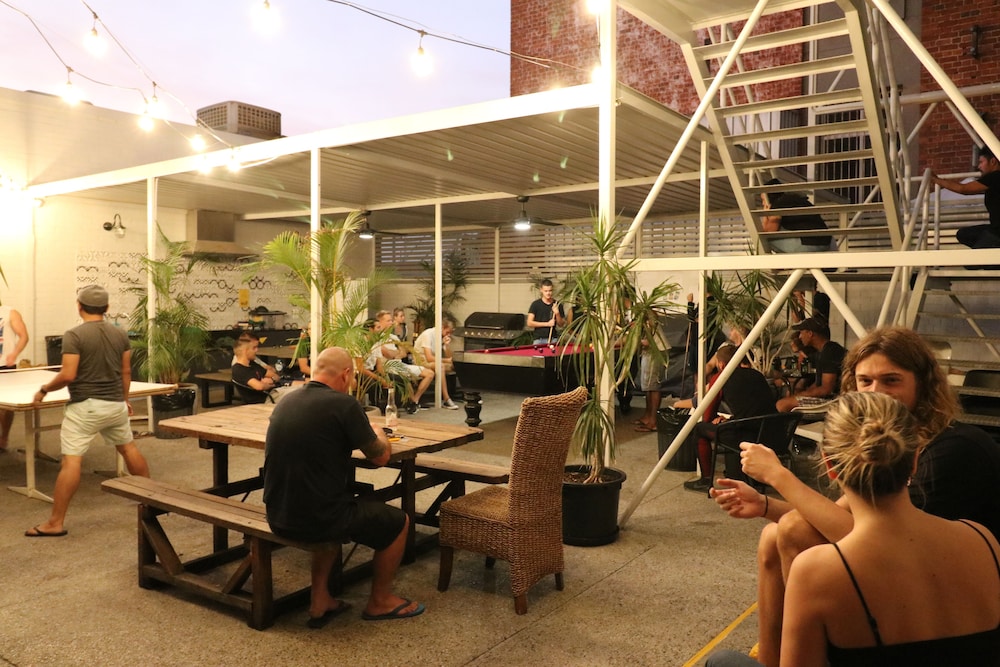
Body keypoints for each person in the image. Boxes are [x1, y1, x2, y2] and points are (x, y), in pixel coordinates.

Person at [710, 326, 1000, 667]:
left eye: (891, 380)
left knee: (722, 658)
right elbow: (842, 517)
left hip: (933, 588)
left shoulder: (952, 450)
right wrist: (766, 504)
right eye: (865, 381)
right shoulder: (978, 533)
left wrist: (779, 476)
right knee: (776, 533)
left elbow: (880, 540)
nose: (877, 392)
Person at [262, 346, 424, 626]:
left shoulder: (287, 400)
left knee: (329, 500)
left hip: (277, 514)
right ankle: (380, 601)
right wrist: (378, 433)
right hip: (319, 519)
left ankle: (320, 599)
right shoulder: (344, 405)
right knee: (399, 522)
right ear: (346, 374)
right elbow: (380, 458)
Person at [25, 285, 150, 537]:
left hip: (86, 406)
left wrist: (44, 390)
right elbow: (126, 372)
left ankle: (55, 523)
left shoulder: (74, 335)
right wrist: (124, 400)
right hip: (115, 404)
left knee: (71, 461)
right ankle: (152, 501)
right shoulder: (120, 334)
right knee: (128, 448)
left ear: (79, 307)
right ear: (107, 308)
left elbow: (68, 374)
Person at [673, 344, 777, 492]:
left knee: (700, 429)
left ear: (721, 364)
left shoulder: (721, 378)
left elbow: (707, 416)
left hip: (745, 435)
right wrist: (730, 419)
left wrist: (718, 418)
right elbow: (754, 407)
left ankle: (706, 480)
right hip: (772, 433)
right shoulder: (757, 375)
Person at [931, 146, 1000, 250]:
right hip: (995, 229)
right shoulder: (994, 181)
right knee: (963, 234)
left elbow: (963, 189)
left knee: (974, 258)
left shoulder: (995, 176)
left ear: (993, 161)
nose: (979, 166)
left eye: (981, 162)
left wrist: (936, 180)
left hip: (997, 232)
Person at [775, 316, 845, 413]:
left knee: (782, 405)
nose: (800, 337)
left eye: (801, 332)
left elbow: (826, 389)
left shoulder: (830, 351)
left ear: (810, 333)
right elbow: (818, 384)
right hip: (830, 398)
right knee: (789, 397)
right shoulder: (824, 351)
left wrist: (798, 396)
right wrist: (798, 395)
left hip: (834, 401)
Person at [372, 310, 434, 413]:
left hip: (400, 364)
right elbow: (388, 354)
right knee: (404, 376)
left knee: (429, 373)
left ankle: (415, 400)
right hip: (388, 367)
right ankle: (412, 403)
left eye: (391, 320)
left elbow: (404, 353)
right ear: (380, 322)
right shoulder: (377, 338)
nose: (391, 323)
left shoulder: (393, 337)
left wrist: (395, 353)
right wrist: (396, 353)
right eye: (388, 321)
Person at [760, 179, 833, 253]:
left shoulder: (778, 204)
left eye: (763, 200)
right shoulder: (792, 199)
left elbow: (768, 232)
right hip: (826, 242)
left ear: (769, 197)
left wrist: (766, 212)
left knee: (763, 240)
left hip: (811, 245)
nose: (763, 203)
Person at [0, 304, 29, 452]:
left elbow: (24, 336)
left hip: (5, 365)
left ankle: (4, 437)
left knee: (4, 407)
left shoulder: (10, 313)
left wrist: (15, 353)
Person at [414, 318, 460, 409]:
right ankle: (446, 399)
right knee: (440, 366)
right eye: (447, 332)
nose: (448, 335)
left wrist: (446, 345)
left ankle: (467, 393)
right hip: (422, 360)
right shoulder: (428, 334)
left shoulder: (441, 337)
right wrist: (446, 360)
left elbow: (449, 357)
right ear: (442, 328)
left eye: (450, 333)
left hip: (434, 360)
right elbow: (429, 357)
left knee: (456, 366)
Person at [232, 334, 290, 403]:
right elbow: (260, 386)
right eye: (254, 348)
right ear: (245, 351)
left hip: (275, 392)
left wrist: (271, 380)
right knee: (295, 394)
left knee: (297, 390)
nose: (257, 350)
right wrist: (270, 384)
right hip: (266, 398)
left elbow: (275, 375)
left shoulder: (253, 364)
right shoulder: (239, 369)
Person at [527, 278, 569, 344]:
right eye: (546, 291)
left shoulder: (557, 304)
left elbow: (561, 324)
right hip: (538, 339)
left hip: (553, 339)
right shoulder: (535, 304)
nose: (548, 293)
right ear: (541, 290)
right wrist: (547, 324)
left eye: (550, 291)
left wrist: (557, 313)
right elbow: (529, 323)